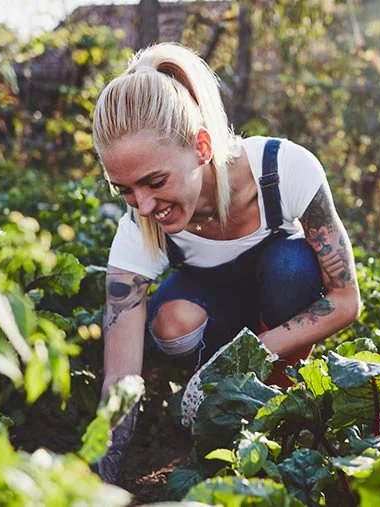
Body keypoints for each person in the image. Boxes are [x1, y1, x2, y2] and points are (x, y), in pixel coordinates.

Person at [91, 42, 360, 484]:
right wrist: (99, 476)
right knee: (173, 323)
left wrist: (241, 358)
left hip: (277, 304)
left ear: (201, 146)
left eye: (155, 181)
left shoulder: (283, 170)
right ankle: (214, 407)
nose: (142, 206)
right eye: (124, 189)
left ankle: (277, 393)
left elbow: (346, 300)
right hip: (215, 308)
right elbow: (120, 377)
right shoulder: (138, 229)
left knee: (291, 268)